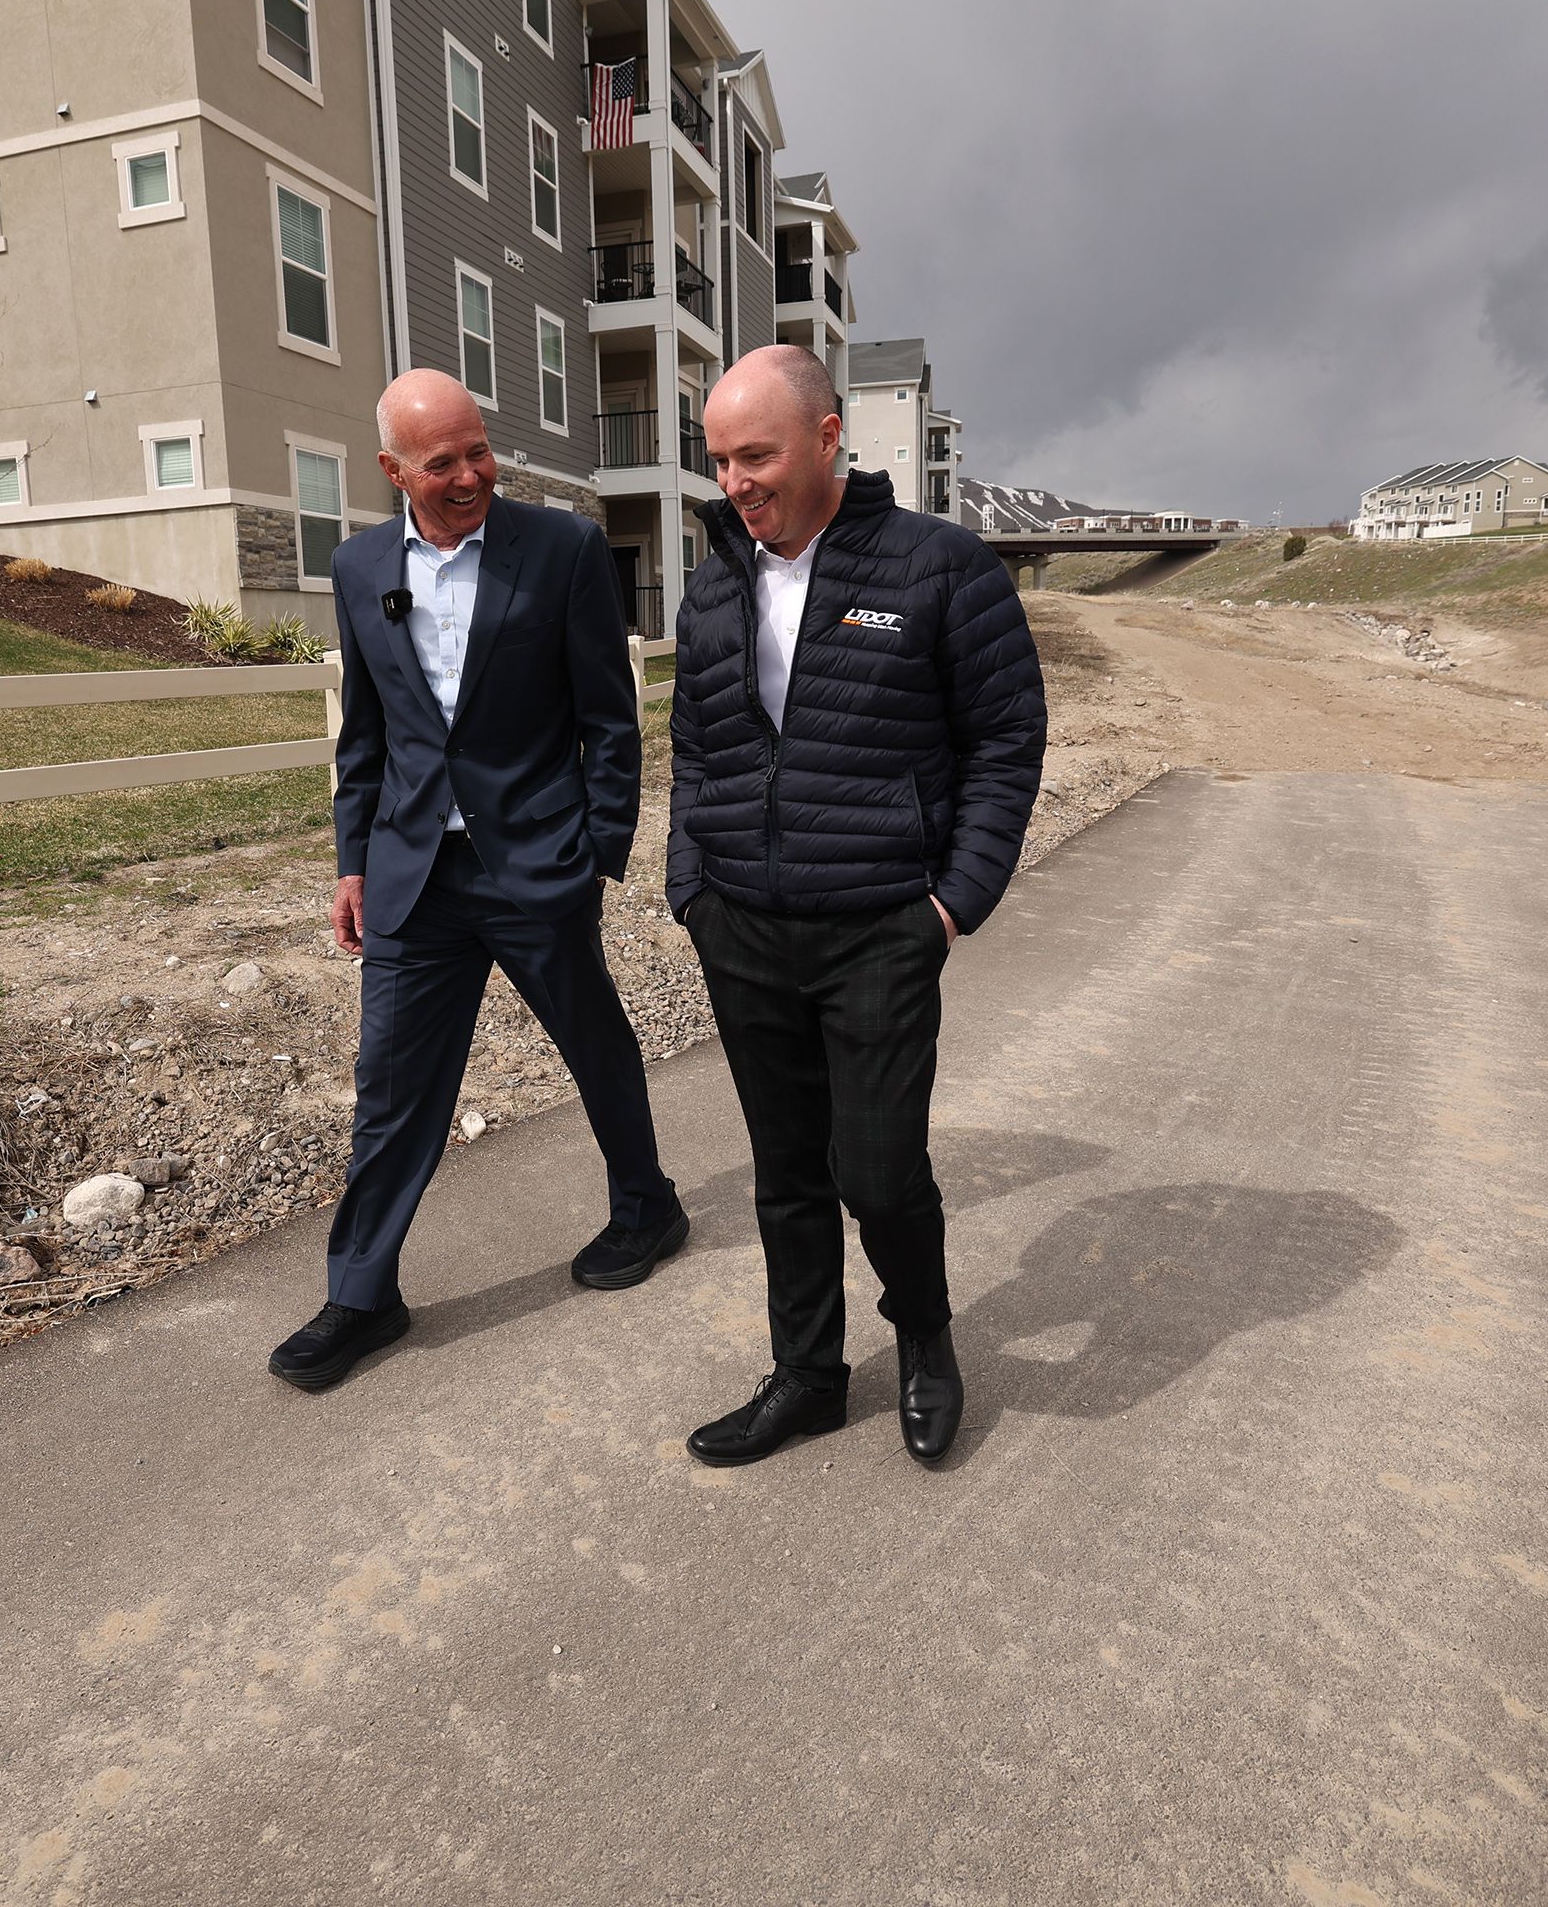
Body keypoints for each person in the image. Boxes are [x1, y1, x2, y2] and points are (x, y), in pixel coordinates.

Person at [270, 370, 688, 1390]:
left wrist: (596, 851)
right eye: (441, 460)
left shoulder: (564, 548)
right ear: (392, 469)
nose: (468, 474)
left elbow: (607, 715)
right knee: (390, 1082)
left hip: (537, 862)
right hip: (415, 873)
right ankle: (363, 1293)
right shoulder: (361, 564)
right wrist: (352, 860)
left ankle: (647, 1204)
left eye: (478, 449)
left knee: (592, 1040)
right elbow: (364, 733)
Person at [667, 346, 1046, 1467]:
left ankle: (924, 1337)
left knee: (877, 1172)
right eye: (720, 458)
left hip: (881, 924)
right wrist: (694, 888)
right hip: (743, 925)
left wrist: (953, 902)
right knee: (785, 1173)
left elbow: (1006, 742)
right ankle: (808, 1376)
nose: (736, 481)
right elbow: (693, 751)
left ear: (829, 439)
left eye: (757, 454)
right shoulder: (711, 583)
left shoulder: (940, 568)